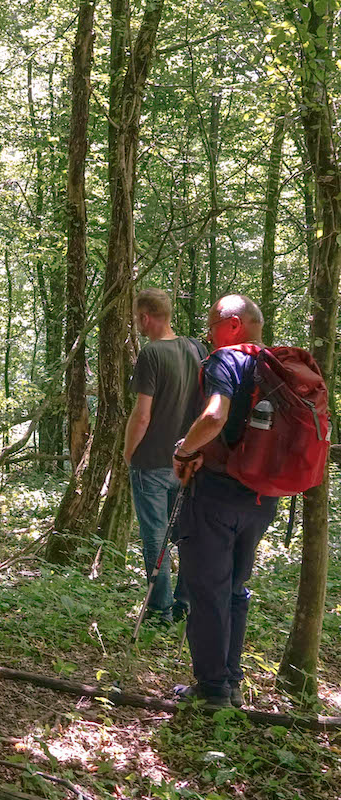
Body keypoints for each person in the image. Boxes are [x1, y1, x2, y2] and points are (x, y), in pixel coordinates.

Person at [172, 295, 280, 709]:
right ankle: (230, 681)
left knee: (207, 588)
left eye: (213, 322)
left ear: (233, 324)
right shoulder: (274, 366)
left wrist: (184, 451)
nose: (209, 332)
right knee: (235, 586)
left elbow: (215, 416)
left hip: (217, 494)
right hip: (262, 496)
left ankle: (213, 687)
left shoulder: (227, 360)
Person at [124, 288, 204, 624]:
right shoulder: (196, 348)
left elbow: (142, 415)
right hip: (187, 460)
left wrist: (129, 453)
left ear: (145, 317)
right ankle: (185, 603)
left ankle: (159, 610)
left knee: (155, 538)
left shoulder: (151, 354)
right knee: (185, 536)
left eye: (138, 318)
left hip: (153, 461)